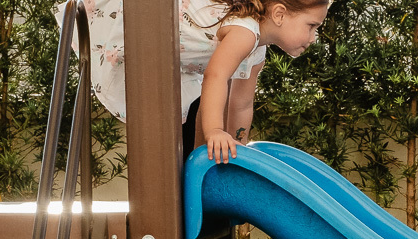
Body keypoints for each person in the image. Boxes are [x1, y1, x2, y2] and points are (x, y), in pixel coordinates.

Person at [56, 0, 330, 162]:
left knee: (183, 110)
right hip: (147, 22)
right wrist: (213, 132)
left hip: (173, 58)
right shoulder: (244, 31)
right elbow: (216, 75)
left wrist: (239, 146)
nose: (314, 37)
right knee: (170, 116)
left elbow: (241, 103)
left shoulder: (257, 51)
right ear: (280, 14)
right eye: (311, 26)